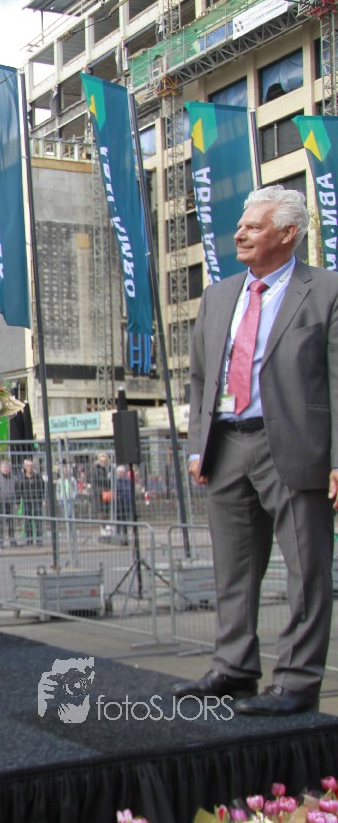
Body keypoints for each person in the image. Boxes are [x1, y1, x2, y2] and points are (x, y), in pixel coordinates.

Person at [173, 185, 338, 716]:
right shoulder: (219, 296)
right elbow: (203, 378)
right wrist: (198, 445)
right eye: (241, 225)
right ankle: (234, 669)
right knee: (234, 569)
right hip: (225, 446)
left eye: (253, 227)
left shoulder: (327, 291)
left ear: (288, 234)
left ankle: (296, 682)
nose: (239, 234)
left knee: (307, 571)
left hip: (295, 447)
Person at [17, 457, 44, 545]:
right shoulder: (21, 478)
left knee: (38, 520)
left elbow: (42, 488)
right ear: (24, 467)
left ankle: (39, 539)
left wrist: (43, 498)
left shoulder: (38, 476)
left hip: (37, 499)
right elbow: (18, 490)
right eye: (28, 466)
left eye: (31, 465)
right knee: (27, 520)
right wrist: (18, 502)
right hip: (26, 500)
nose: (30, 467)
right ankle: (29, 539)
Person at [113, 464, 134, 545]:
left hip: (126, 503)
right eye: (121, 472)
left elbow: (129, 491)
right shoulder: (116, 481)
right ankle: (118, 537)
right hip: (119, 504)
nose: (122, 473)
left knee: (125, 522)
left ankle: (125, 538)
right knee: (118, 521)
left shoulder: (127, 481)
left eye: (123, 472)